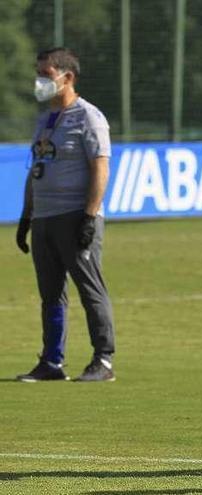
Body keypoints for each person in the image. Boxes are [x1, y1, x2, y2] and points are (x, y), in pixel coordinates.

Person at [15, 47, 116, 383]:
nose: (40, 80)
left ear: (67, 77)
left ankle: (103, 360)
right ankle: (51, 362)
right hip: (44, 218)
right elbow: (37, 168)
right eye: (39, 73)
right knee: (51, 294)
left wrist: (89, 216)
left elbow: (100, 167)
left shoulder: (89, 117)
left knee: (90, 289)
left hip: (74, 215)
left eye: (46, 74)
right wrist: (27, 216)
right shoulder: (44, 120)